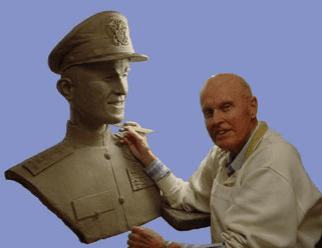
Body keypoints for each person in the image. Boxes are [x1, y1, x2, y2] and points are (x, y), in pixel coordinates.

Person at [4, 11, 162, 244]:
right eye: (108, 77)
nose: (123, 89)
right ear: (67, 89)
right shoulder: (40, 175)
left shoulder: (135, 150)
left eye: (125, 74)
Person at [121, 73, 322, 248]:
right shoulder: (224, 154)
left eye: (226, 107)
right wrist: (146, 156)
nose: (216, 120)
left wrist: (166, 247)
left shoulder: (272, 162)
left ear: (252, 107)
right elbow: (186, 197)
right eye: (209, 112)